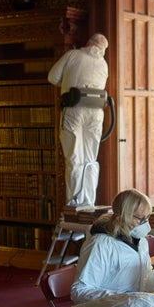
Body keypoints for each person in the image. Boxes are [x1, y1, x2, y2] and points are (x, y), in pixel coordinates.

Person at [48, 33, 109, 209]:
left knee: (74, 157)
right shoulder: (103, 64)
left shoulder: (73, 55)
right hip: (96, 113)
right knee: (90, 158)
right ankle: (89, 203)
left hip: (74, 109)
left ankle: (74, 204)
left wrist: (68, 81)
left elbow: (52, 78)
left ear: (88, 42)